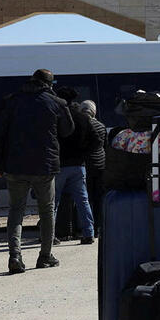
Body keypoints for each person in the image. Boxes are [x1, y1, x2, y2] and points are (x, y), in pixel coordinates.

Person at [0, 69, 74, 273]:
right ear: (50, 84)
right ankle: (45, 256)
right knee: (46, 210)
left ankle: (15, 257)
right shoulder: (56, 102)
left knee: (16, 210)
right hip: (44, 166)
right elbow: (67, 130)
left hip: (15, 166)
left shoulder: (11, 100)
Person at [54, 87, 101, 245]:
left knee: (53, 202)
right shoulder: (83, 118)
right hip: (78, 165)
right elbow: (97, 141)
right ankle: (89, 233)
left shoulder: (56, 117)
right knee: (83, 200)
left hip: (59, 165)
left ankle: (50, 235)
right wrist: (83, 154)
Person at [81, 101, 107, 237]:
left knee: (86, 199)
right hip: (101, 165)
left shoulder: (82, 126)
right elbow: (105, 146)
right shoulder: (101, 126)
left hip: (87, 165)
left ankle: (87, 227)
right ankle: (99, 227)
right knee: (99, 198)